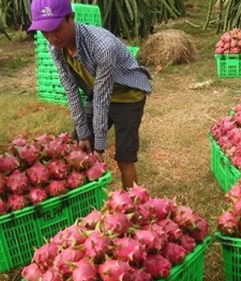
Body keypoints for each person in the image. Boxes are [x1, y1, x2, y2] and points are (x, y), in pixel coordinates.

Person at [28, 0, 152, 190]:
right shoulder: (55, 48)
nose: (52, 37)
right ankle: (88, 200)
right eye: (44, 31)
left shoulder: (102, 46)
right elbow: (71, 90)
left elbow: (102, 99)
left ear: (71, 17)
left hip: (128, 95)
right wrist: (84, 134)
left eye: (56, 28)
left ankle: (134, 206)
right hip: (98, 92)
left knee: (125, 158)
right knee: (78, 144)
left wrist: (99, 146)